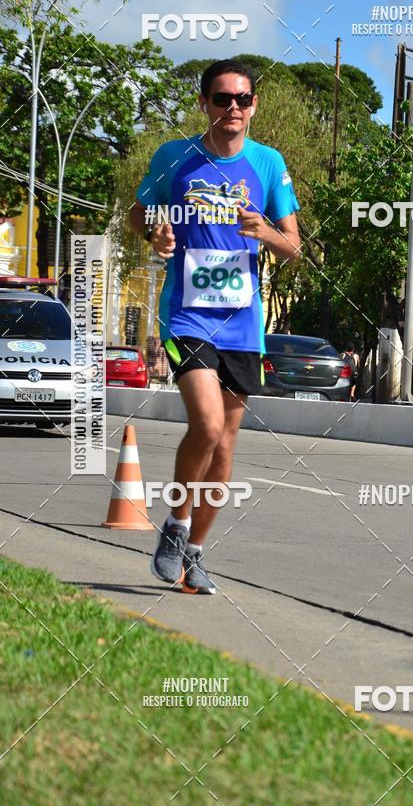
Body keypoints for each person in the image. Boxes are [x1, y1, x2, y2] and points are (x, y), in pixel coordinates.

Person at [129, 59, 301, 594]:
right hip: (187, 314)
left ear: (254, 107)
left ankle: (196, 553)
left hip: (243, 323)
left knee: (225, 445)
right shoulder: (174, 157)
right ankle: (176, 527)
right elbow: (137, 212)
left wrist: (266, 232)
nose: (233, 107)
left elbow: (294, 245)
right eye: (223, 98)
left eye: (243, 99)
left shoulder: (269, 164)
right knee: (204, 424)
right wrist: (153, 232)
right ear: (204, 103)